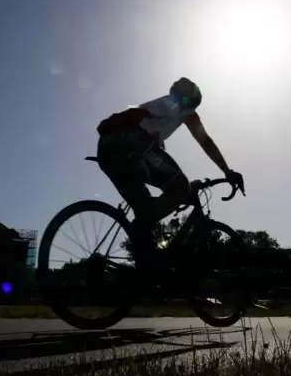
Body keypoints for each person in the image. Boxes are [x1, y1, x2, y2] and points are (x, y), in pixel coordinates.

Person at [95, 77, 245, 251]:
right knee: (180, 187)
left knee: (146, 215)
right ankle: (149, 242)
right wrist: (227, 171)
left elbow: (199, 141)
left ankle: (145, 262)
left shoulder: (166, 108)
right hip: (129, 146)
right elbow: (205, 141)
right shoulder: (175, 108)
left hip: (108, 153)